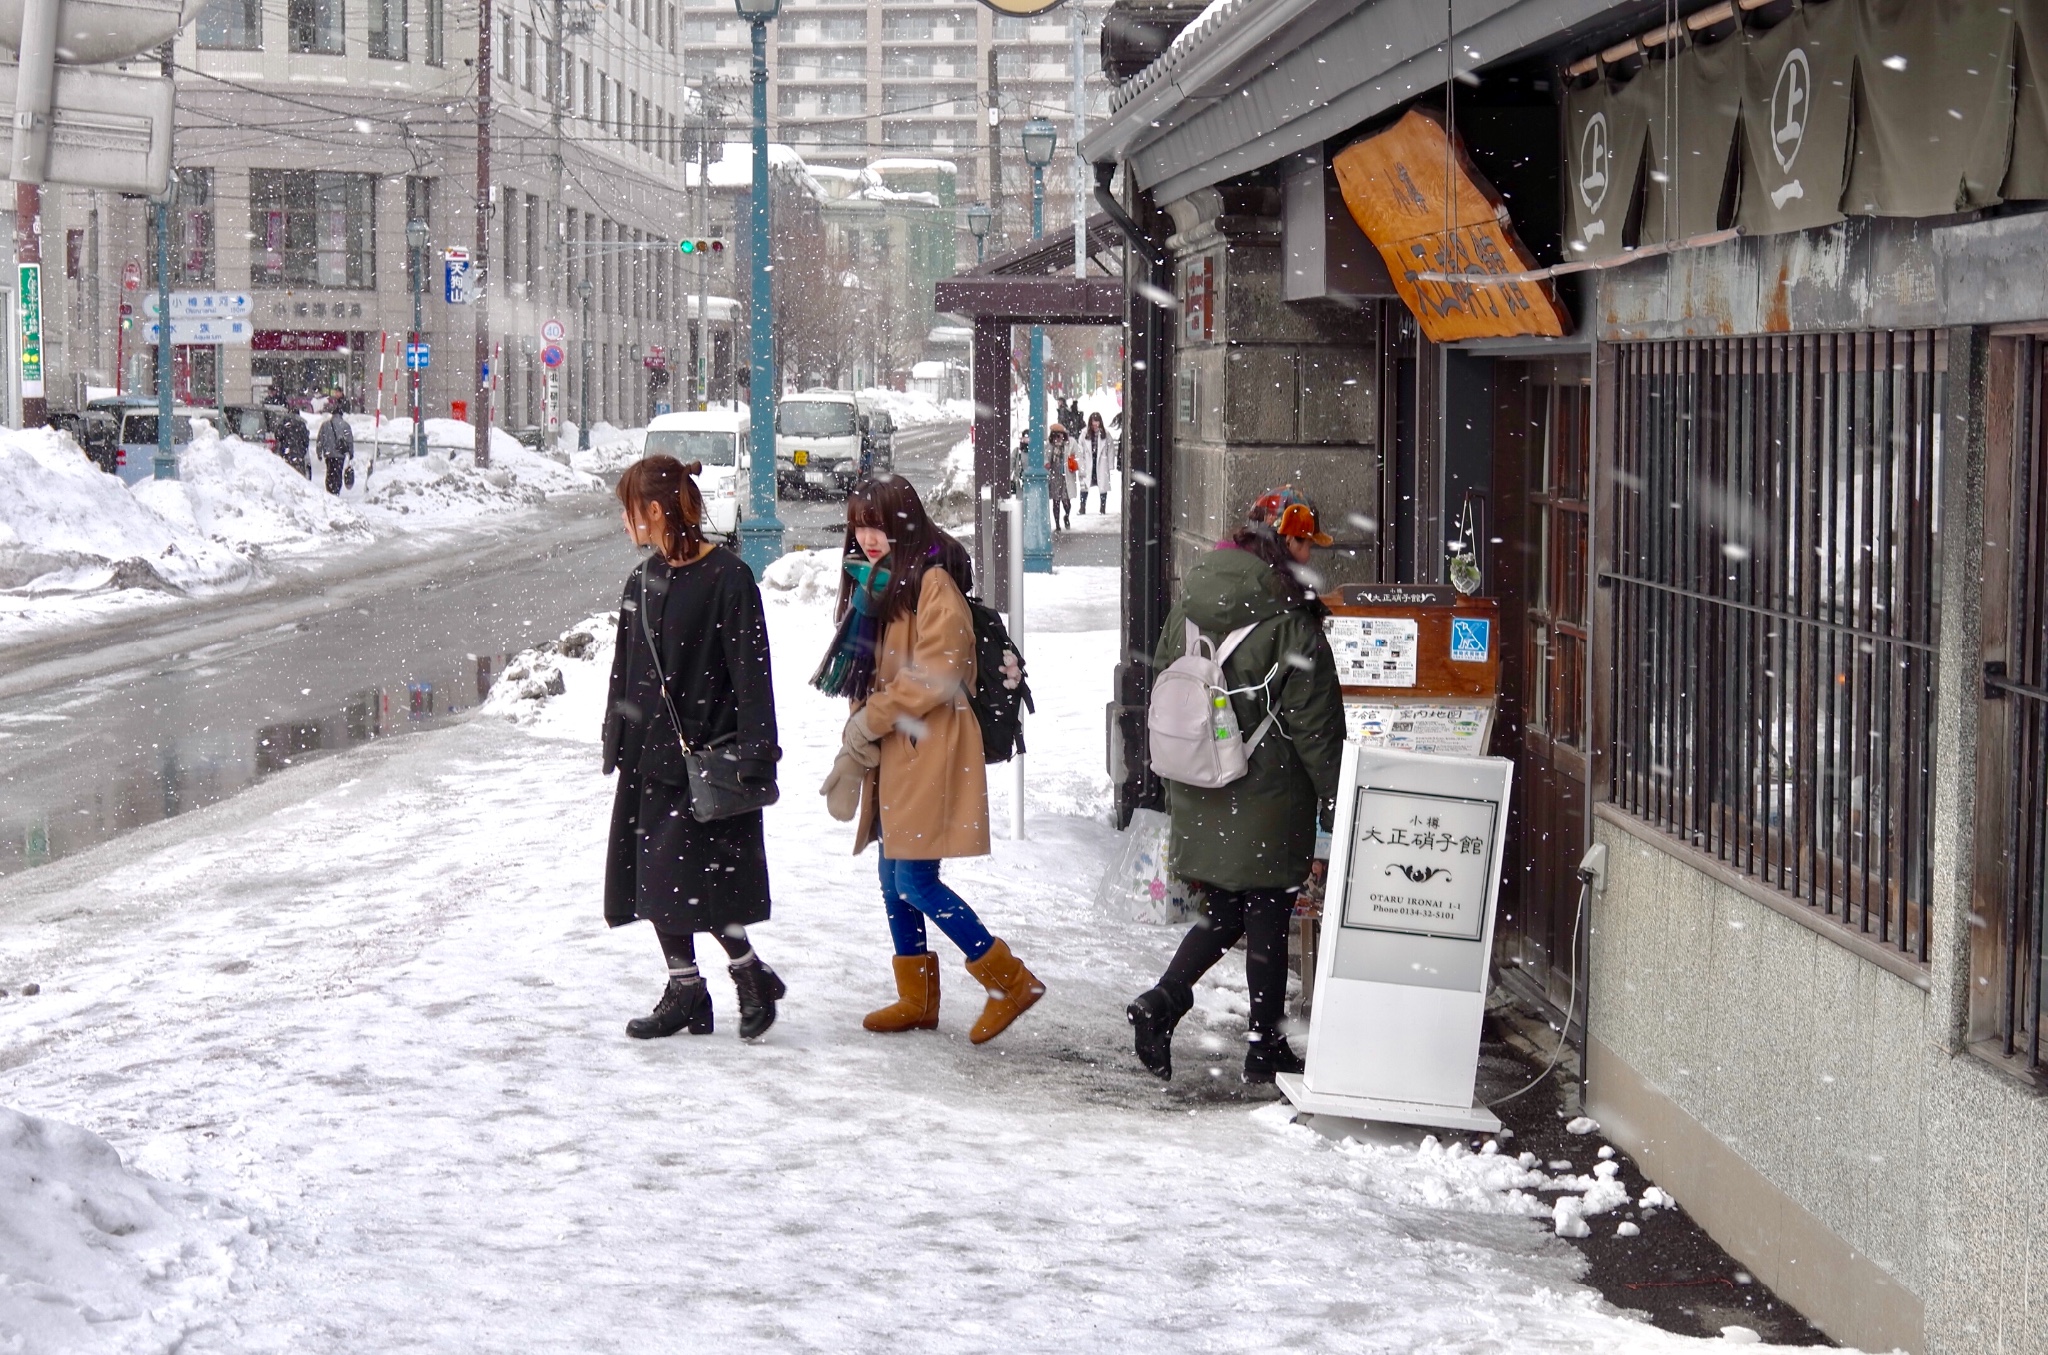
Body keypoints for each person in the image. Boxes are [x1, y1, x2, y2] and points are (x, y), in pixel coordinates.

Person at [812, 473, 1044, 1044]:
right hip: (900, 744)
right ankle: (917, 998)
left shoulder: (931, 580)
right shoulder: (879, 584)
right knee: (893, 875)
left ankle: (1009, 981)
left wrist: (874, 716)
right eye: (859, 524)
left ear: (904, 522)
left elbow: (940, 670)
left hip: (930, 741)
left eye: (878, 523)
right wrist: (864, 730)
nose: (867, 536)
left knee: (915, 878)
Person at [1126, 485, 1346, 1084]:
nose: (1308, 552)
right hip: (1266, 786)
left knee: (1224, 908)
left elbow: (1173, 671)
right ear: (1278, 539)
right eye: (1301, 539)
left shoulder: (1193, 599)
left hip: (1201, 776)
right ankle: (1263, 1045)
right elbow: (1317, 726)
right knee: (1269, 908)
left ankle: (1162, 1001)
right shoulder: (1290, 622)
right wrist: (1339, 794)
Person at [602, 454, 786, 1041]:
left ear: (654, 511)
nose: (626, 524)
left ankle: (747, 975)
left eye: (630, 512)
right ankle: (690, 989)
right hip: (652, 762)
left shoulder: (729, 578)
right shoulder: (642, 581)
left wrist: (757, 755)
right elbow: (626, 669)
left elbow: (752, 675)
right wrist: (618, 737)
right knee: (656, 880)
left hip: (712, 763)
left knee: (706, 882)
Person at [318, 399, 356, 494]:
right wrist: (351, 452)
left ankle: (329, 488)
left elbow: (320, 439)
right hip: (340, 454)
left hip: (329, 453)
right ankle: (336, 489)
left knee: (329, 471)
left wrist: (319, 452)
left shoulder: (325, 425)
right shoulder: (345, 425)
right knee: (338, 473)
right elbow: (349, 440)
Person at [1079, 411, 1113, 516]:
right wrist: (1081, 464)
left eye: (1097, 424)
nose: (1095, 426)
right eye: (1093, 424)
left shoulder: (1106, 434)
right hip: (1088, 461)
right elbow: (1080, 450)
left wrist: (1110, 464)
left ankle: (1103, 507)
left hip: (1101, 461)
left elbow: (1110, 449)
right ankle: (1082, 507)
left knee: (1102, 486)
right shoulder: (1084, 434)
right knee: (1084, 486)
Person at [1046, 424, 1073, 532]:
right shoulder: (1050, 446)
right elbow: (1046, 458)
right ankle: (1057, 524)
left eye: (1060, 435)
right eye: (1056, 435)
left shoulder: (1068, 444)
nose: (1058, 438)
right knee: (1056, 501)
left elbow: (1076, 454)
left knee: (1066, 501)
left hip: (1066, 475)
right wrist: (1047, 463)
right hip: (1055, 475)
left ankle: (1066, 515)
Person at [273, 404, 311, 478]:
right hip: (298, 455)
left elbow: (277, 435)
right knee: (298, 478)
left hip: (285, 454)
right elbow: (306, 441)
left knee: (285, 477)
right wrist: (302, 452)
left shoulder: (284, 422)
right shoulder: (302, 424)